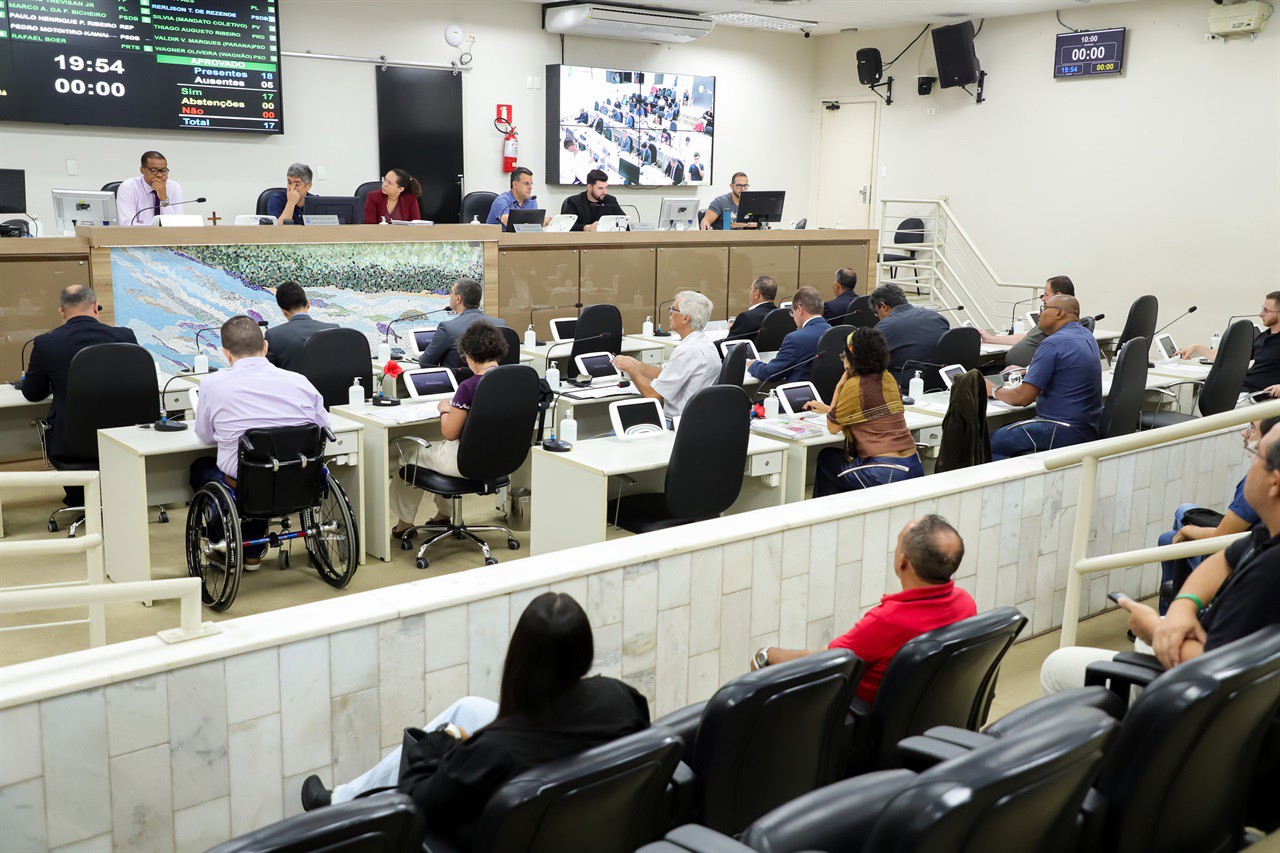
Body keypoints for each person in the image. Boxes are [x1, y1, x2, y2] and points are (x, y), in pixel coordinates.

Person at [302, 592, 649, 849]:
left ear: (520, 658)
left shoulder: (494, 751)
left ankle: (339, 814)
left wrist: (449, 742)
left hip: (493, 829)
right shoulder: (621, 698)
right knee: (469, 707)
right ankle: (342, 798)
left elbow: (415, 797)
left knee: (449, 728)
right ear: (584, 653)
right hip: (588, 829)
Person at [1041, 421, 1280, 694]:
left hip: (1199, 698)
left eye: (1256, 451)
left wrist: (1153, 628)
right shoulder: (1269, 531)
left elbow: (1217, 669)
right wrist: (1183, 607)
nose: (1249, 457)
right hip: (1211, 662)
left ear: (1274, 483)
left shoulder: (1269, 573)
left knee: (1057, 665)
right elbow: (1224, 559)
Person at [752, 515, 975, 705]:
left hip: (861, 723)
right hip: (929, 712)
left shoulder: (887, 622)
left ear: (903, 561)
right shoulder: (966, 603)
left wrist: (768, 655)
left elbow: (827, 660)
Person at [191, 316, 329, 567]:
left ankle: (225, 546)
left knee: (202, 469)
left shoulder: (212, 384)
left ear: (226, 353)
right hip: (300, 479)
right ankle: (253, 551)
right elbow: (323, 428)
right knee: (262, 470)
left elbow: (204, 436)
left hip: (247, 483)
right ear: (265, 347)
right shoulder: (300, 382)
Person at [21, 285, 138, 508]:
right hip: (122, 437)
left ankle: (81, 499)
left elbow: (33, 393)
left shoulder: (46, 343)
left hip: (71, 441)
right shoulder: (125, 336)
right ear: (96, 307)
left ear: (62, 312)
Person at [394, 321, 507, 539]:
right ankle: (443, 515)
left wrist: (445, 410)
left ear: (471, 356)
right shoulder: (515, 379)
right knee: (437, 450)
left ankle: (404, 524)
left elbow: (450, 433)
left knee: (407, 452)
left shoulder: (469, 387)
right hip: (502, 460)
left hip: (465, 462)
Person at [1153, 418, 1272, 612]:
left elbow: (1222, 537)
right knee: (1184, 511)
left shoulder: (1259, 478)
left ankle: (1170, 615)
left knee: (1169, 539)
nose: (1244, 433)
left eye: (1252, 427)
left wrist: (1189, 530)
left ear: (1270, 439)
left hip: (1244, 561)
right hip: (1250, 546)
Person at [805, 328, 924, 496]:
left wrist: (840, 386)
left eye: (843, 355)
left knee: (827, 459)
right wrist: (828, 409)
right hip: (913, 465)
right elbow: (858, 410)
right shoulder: (888, 378)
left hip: (884, 472)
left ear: (852, 358)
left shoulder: (854, 385)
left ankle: (826, 516)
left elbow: (833, 427)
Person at [985, 295, 1103, 460]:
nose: (1040, 314)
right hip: (1087, 427)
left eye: (1044, 308)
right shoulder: (1086, 336)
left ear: (1059, 313)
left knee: (985, 445)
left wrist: (993, 389)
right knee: (1009, 431)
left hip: (1059, 428)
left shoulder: (1052, 344)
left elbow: (1022, 398)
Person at [613, 291, 719, 420]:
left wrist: (631, 369)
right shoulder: (704, 342)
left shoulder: (687, 350)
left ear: (685, 318)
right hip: (698, 419)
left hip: (675, 422)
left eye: (672, 310)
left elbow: (654, 397)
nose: (669, 314)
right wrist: (638, 365)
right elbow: (668, 374)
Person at [1176, 291, 1280, 395]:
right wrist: (1196, 347)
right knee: (1200, 392)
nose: (1260, 314)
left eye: (1266, 311)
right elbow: (1228, 358)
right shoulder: (1264, 336)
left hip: (1257, 397)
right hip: (1243, 391)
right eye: (1263, 309)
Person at [980, 276, 1076, 368]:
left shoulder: (1058, 324)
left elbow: (1051, 363)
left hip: (1021, 374)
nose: (1042, 299)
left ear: (1058, 296)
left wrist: (1024, 370)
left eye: (1046, 295)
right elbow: (1028, 337)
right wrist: (990, 339)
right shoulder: (1052, 321)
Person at [868, 283, 950, 389]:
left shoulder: (885, 327)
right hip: (941, 383)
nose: (878, 317)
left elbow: (867, 361)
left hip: (905, 387)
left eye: (877, 313)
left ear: (883, 306)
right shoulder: (938, 317)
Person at [417, 278, 506, 371]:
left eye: (451, 292)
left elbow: (425, 363)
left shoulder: (448, 328)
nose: (450, 295)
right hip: (493, 382)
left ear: (458, 299)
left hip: (459, 384)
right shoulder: (500, 324)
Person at [747, 287, 831, 383]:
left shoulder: (795, 338)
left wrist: (753, 364)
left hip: (799, 395)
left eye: (792, 312)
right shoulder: (834, 332)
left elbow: (770, 374)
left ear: (799, 309)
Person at [264, 281, 338, 373]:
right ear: (308, 303)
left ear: (283, 311)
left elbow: (267, 372)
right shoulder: (334, 330)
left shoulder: (273, 336)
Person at [117, 150, 185, 226]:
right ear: (142, 170)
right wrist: (155, 232)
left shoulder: (174, 187)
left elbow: (178, 224)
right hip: (138, 237)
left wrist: (164, 198)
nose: (159, 175)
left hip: (167, 237)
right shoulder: (128, 187)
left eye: (163, 171)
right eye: (154, 170)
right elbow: (127, 224)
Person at [559, 169, 624, 232]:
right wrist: (587, 228)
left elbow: (624, 222)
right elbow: (565, 226)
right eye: (600, 188)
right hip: (580, 241)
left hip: (607, 240)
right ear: (590, 187)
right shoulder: (573, 202)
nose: (604, 192)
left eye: (606, 187)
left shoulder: (611, 201)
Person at [486, 166, 551, 229]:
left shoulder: (531, 200)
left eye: (531, 184)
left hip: (521, 239)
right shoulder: (502, 201)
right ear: (515, 184)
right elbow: (511, 225)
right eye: (526, 183)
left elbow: (531, 227)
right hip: (497, 238)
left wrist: (539, 223)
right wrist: (539, 223)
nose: (530, 187)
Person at [726, 276, 779, 341]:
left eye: (751, 289)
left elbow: (728, 344)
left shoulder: (746, 317)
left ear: (757, 293)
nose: (750, 292)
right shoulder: (782, 315)